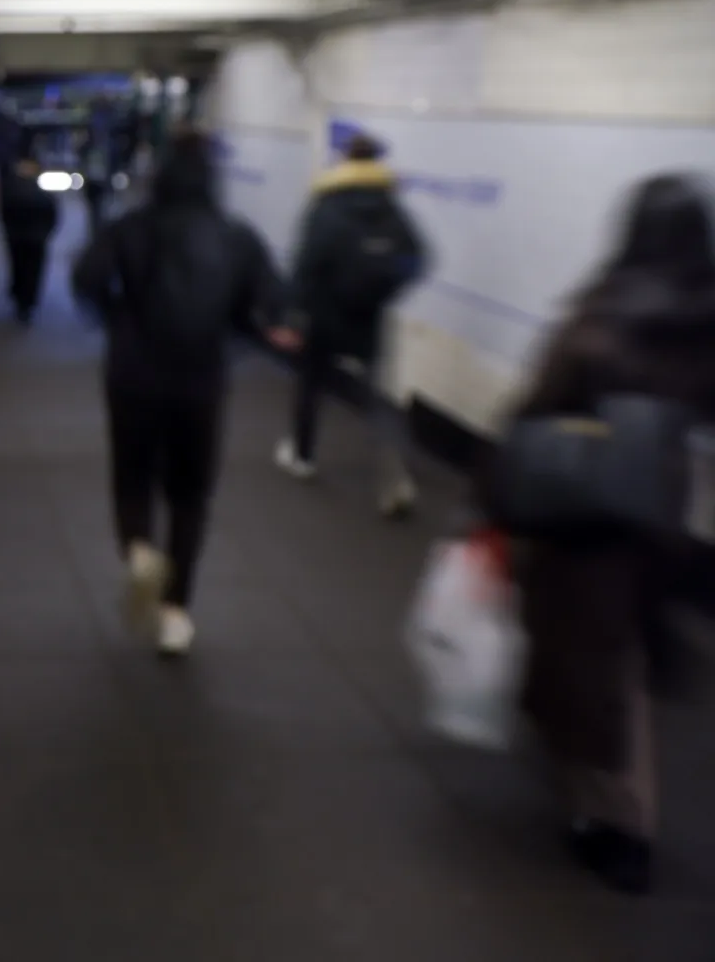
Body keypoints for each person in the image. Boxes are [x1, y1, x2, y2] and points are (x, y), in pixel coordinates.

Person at [482, 174, 715, 895]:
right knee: (626, 672)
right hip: (659, 522)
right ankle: (620, 817)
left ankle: (613, 824)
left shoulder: (603, 315)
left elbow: (538, 407)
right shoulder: (704, 320)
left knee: (585, 674)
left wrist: (487, 496)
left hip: (584, 524)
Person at [74, 132, 299, 656]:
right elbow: (271, 300)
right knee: (190, 494)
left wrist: (117, 320)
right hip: (199, 378)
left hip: (133, 372)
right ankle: (176, 613)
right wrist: (246, 331)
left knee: (133, 475)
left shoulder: (130, 227)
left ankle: (138, 550)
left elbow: (86, 279)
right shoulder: (236, 236)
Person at [275, 133, 427, 517]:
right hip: (368, 317)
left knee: (311, 384)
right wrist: (385, 290)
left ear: (344, 160)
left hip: (325, 313)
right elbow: (418, 257)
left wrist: (293, 313)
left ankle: (303, 455)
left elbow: (306, 264)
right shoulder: (391, 207)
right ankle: (395, 473)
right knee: (375, 396)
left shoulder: (327, 204)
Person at [0, 153, 60, 323]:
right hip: (30, 237)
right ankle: (25, 300)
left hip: (25, 237)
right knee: (29, 269)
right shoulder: (37, 189)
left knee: (24, 268)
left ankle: (22, 299)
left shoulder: (13, 187)